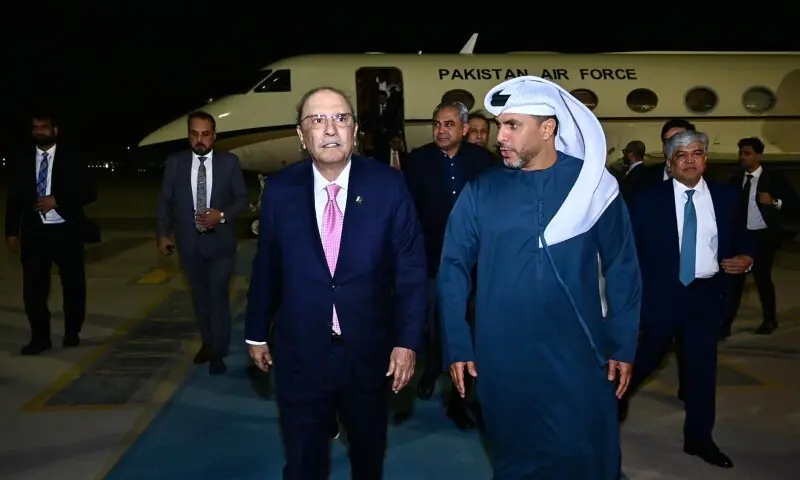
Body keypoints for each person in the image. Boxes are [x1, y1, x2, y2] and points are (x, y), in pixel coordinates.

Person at [438, 76, 641, 478]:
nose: (501, 136)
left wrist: (623, 343)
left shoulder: (594, 187)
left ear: (548, 128)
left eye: (513, 125)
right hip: (502, 355)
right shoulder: (482, 190)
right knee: (515, 456)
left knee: (587, 454)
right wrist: (458, 344)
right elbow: (452, 268)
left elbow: (623, 266)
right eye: (500, 125)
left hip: (578, 353)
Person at [245, 86, 427, 479]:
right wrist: (256, 332)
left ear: (355, 129)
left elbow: (411, 270)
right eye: (317, 120)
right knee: (302, 461)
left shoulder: (388, 186)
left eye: (340, 118)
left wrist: (407, 341)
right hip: (301, 354)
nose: (330, 129)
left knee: (367, 456)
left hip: (367, 352)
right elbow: (268, 266)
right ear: (301, 134)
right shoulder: (280, 190)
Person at [625, 130, 753, 469]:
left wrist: (746, 258)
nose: (691, 160)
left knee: (701, 371)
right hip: (662, 297)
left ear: (705, 159)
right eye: (682, 155)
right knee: (645, 359)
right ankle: (615, 399)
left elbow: (742, 239)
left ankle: (698, 439)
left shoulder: (726, 197)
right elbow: (630, 253)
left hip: (707, 297)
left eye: (697, 153)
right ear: (670, 162)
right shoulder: (648, 200)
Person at [401, 101, 496, 429]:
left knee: (470, 325)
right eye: (437, 124)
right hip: (431, 258)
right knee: (433, 321)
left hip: (474, 263)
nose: (441, 130)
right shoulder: (417, 161)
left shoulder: (484, 162)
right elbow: (407, 212)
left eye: (449, 125)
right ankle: (432, 370)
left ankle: (461, 397)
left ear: (464, 129)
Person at [156, 110, 248, 374]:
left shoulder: (229, 162)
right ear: (188, 135)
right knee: (200, 299)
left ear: (214, 136)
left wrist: (221, 215)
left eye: (205, 134)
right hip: (189, 245)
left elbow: (241, 198)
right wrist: (163, 233)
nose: (200, 140)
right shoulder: (175, 163)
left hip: (221, 244)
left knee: (218, 295)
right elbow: (165, 200)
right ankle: (208, 342)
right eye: (194, 134)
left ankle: (218, 351)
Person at [5, 113, 99, 355]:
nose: (39, 131)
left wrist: (58, 200)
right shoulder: (23, 159)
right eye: (35, 127)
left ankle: (72, 331)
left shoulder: (72, 158)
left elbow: (89, 192)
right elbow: (14, 198)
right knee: (34, 290)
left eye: (43, 127)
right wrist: (11, 231)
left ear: (55, 130)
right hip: (35, 233)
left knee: (73, 286)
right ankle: (40, 337)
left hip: (67, 231)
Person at [723, 136, 798, 338]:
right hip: (740, 237)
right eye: (741, 153)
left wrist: (774, 202)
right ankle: (725, 324)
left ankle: (769, 319)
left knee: (762, 278)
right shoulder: (735, 181)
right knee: (734, 282)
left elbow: (793, 205)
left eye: (747, 154)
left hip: (763, 236)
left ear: (759, 155)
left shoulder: (774, 179)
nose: (742, 157)